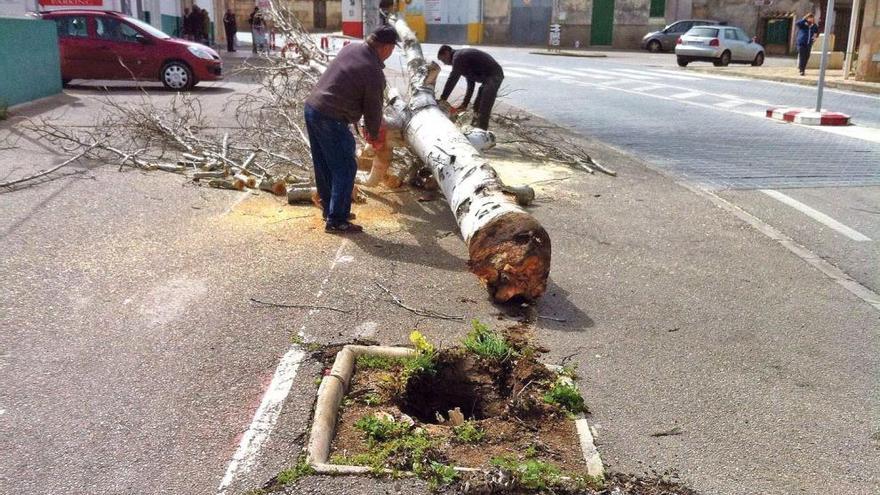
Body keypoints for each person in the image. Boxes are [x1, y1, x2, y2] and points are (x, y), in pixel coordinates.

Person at [303, 25, 398, 233]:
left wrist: (361, 123)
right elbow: (373, 108)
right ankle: (337, 220)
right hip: (330, 117)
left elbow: (348, 86)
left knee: (325, 164)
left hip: (312, 108)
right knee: (345, 167)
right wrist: (374, 136)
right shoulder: (373, 71)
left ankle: (331, 211)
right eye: (391, 50)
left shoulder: (351, 48)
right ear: (386, 48)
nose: (390, 54)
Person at [437, 45, 504, 130]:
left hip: (494, 76)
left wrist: (443, 99)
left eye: (443, 60)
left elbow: (453, 79)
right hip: (487, 79)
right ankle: (474, 127)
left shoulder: (458, 58)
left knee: (484, 106)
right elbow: (470, 84)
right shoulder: (463, 60)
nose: (444, 63)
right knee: (477, 105)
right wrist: (464, 104)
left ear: (446, 53)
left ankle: (481, 131)